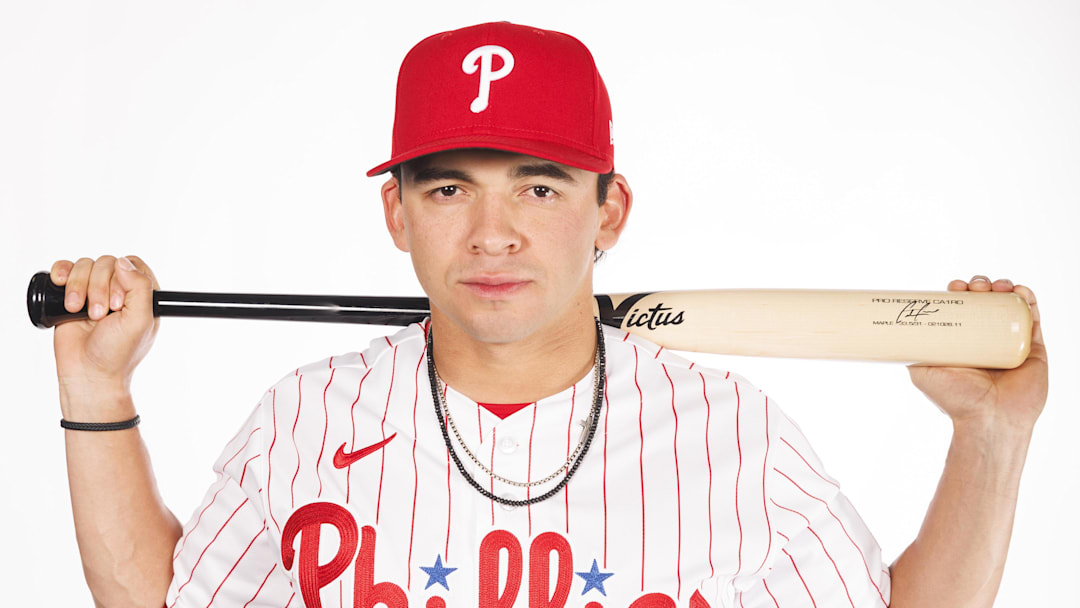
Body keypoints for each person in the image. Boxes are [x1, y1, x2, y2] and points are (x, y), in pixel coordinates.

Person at [49, 21, 1048, 608]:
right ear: (395, 212)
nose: (492, 234)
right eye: (448, 189)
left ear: (609, 209)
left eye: (538, 187)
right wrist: (97, 389)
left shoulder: (732, 431)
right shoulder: (303, 418)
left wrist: (991, 435)